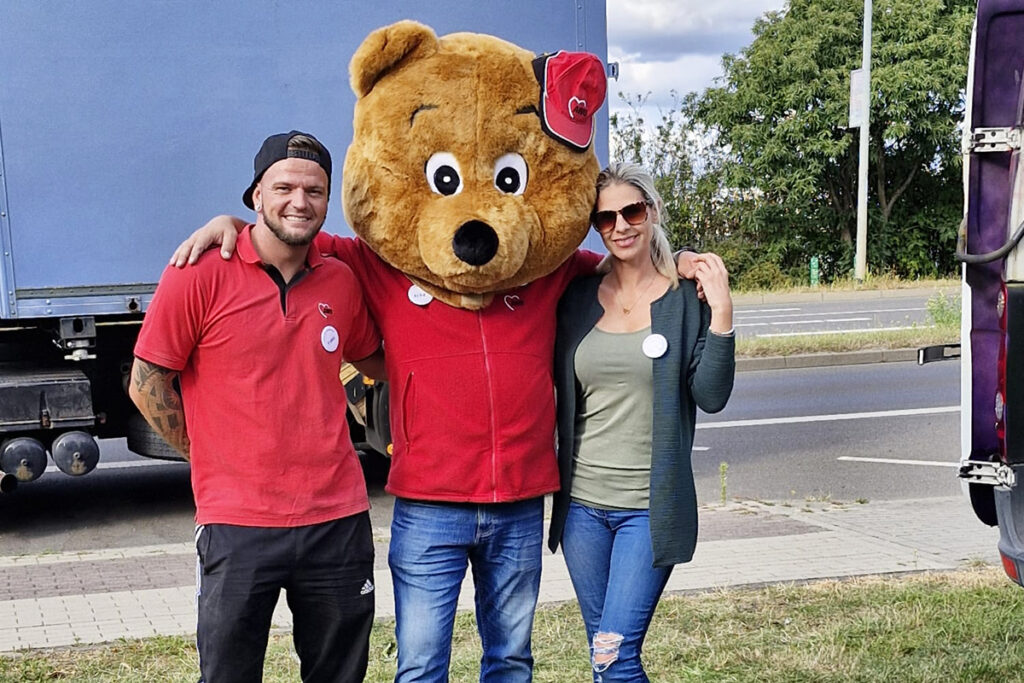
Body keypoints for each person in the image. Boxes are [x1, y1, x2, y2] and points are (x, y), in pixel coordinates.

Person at [171, 193, 712, 683]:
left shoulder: (545, 270)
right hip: (430, 506)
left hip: (518, 503)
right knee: (423, 665)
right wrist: (235, 224)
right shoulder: (383, 264)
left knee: (510, 660)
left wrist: (681, 258)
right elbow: (297, 235)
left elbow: (625, 260)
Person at [130, 131, 384, 683]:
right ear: (256, 197)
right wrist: (209, 455)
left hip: (337, 519)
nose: (300, 201)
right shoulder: (198, 272)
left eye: (314, 190)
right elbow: (147, 383)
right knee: (227, 674)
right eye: (284, 187)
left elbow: (374, 361)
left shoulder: (340, 280)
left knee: (340, 674)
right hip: (236, 522)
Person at [547, 161, 735, 682]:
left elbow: (712, 395)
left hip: (646, 512)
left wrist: (721, 312)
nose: (620, 226)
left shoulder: (683, 297)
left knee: (613, 656)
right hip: (582, 508)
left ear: (651, 211)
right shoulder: (579, 296)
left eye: (631, 211)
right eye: (605, 219)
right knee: (602, 655)